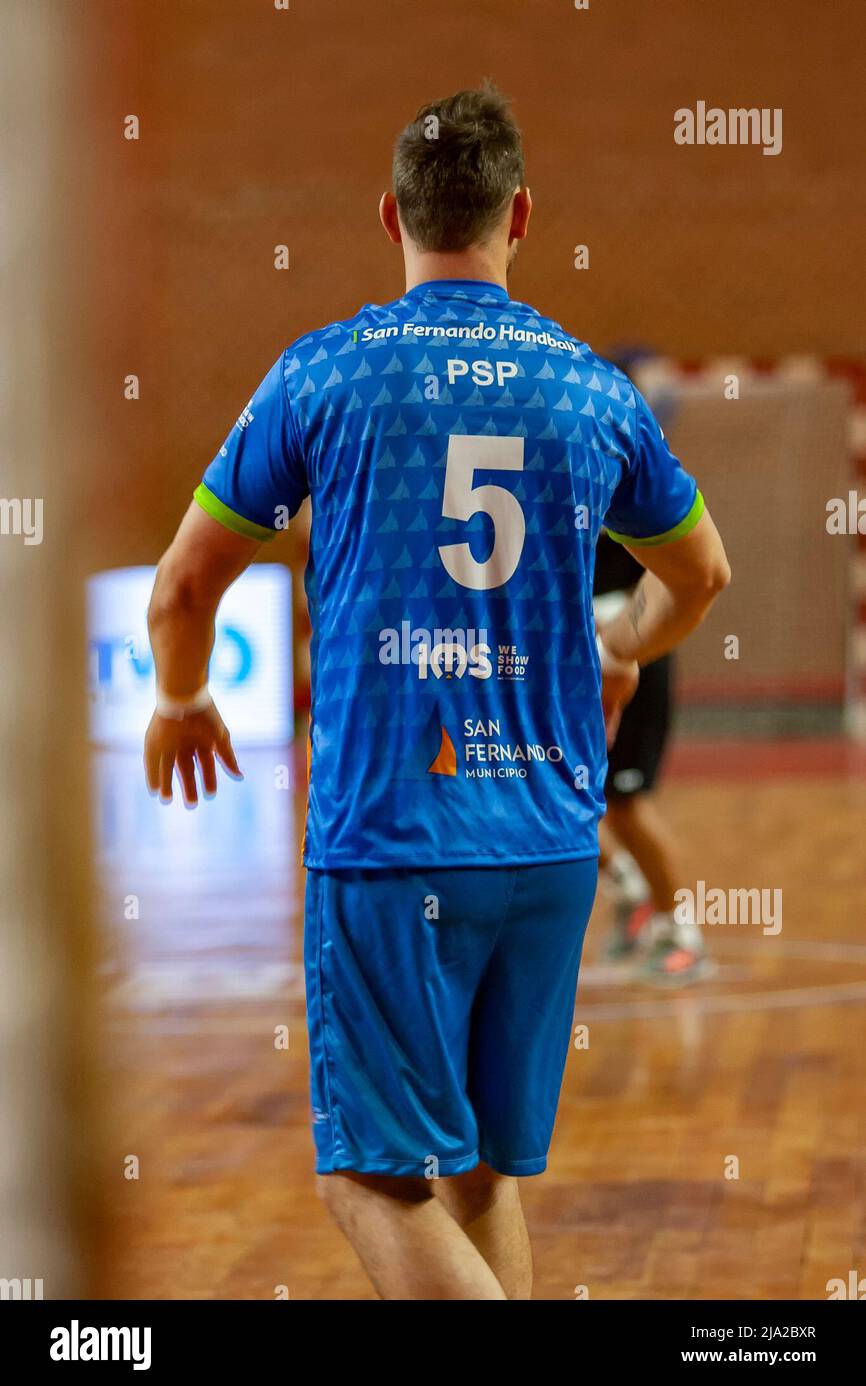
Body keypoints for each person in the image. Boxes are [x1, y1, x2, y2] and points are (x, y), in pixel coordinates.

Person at [143, 84, 730, 1300]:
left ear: (387, 217)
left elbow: (184, 586)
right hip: (550, 844)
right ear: (521, 213)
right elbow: (703, 575)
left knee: (370, 1181)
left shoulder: (322, 374)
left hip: (390, 844)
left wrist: (181, 699)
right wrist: (623, 635)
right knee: (477, 1177)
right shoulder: (588, 386)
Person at [594, 530, 711, 984]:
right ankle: (629, 889)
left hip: (632, 656)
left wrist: (607, 625)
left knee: (626, 805)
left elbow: (682, 576)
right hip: (570, 657)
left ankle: (682, 933)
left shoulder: (632, 478)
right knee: (555, 793)